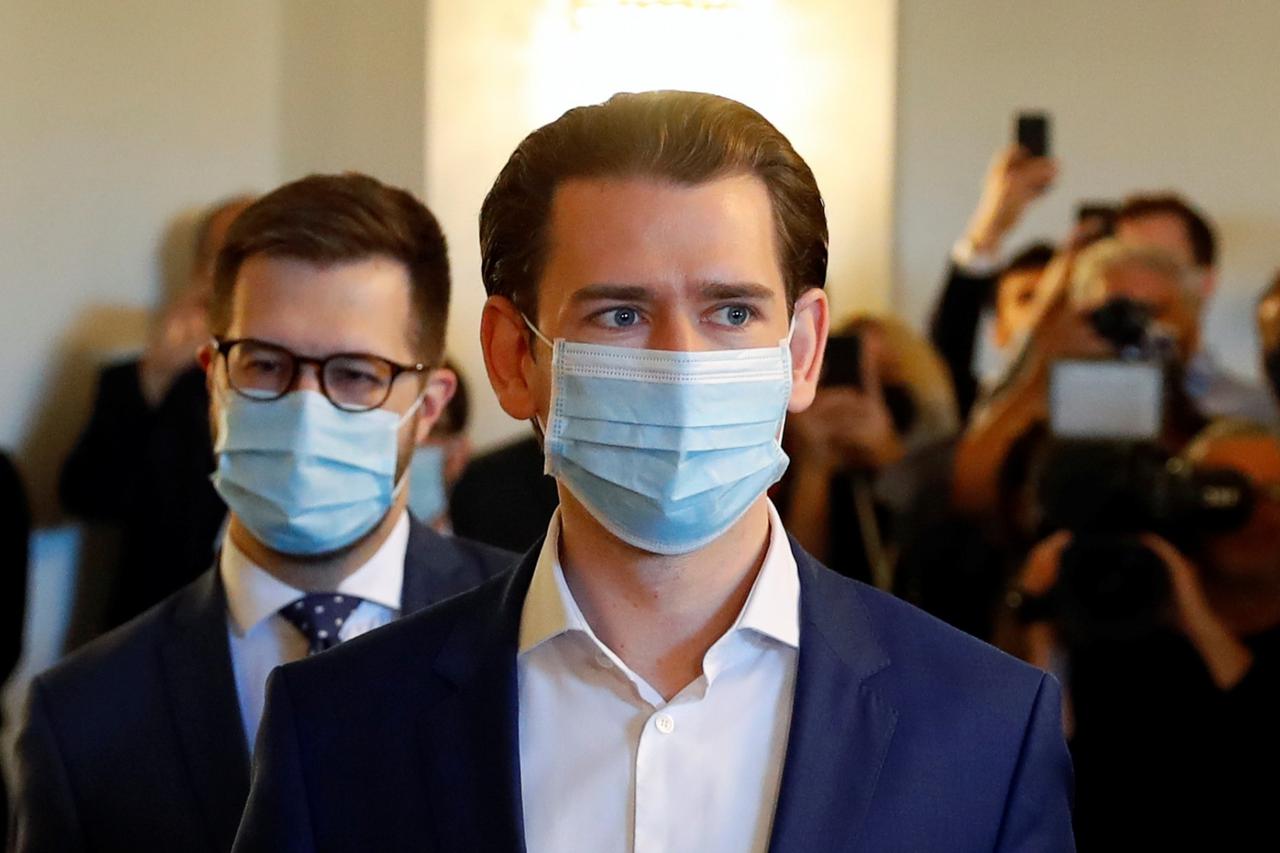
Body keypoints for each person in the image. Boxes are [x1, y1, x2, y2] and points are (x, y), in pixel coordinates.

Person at [233, 91, 1074, 852]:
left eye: (732, 311)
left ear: (803, 350)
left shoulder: (984, 726)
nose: (681, 362)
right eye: (621, 313)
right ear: (515, 355)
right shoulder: (337, 726)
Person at [8, 174, 516, 853]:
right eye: (265, 364)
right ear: (213, 379)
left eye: (355, 374)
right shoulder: (81, 713)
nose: (305, 409)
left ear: (428, 407)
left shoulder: (537, 629)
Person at [1005, 420, 1280, 850]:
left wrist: (1202, 625)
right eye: (1227, 492)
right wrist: (1039, 620)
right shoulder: (1118, 612)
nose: (1254, 516)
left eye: (1274, 493)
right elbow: (1041, 775)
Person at [59, 195, 254, 631]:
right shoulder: (139, 379)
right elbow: (84, 496)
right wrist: (156, 374)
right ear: (200, 271)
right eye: (230, 256)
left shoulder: (312, 383)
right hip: (155, 630)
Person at [780, 314, 958, 588]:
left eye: (887, 384)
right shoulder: (783, 469)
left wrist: (890, 458)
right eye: (851, 378)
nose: (863, 403)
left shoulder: (949, 469)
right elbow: (794, 581)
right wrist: (813, 464)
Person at [1114, 193, 1276, 423]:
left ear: (1206, 282)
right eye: (1120, 267)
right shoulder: (1071, 403)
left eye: (1161, 265)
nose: (1138, 288)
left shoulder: (1257, 414)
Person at [929, 143, 1058, 419]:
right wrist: (989, 227)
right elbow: (947, 356)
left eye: (1058, 298)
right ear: (998, 329)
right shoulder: (976, 409)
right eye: (1027, 298)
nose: (1044, 311)